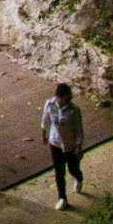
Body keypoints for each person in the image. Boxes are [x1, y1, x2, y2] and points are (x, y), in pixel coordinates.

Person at [43, 80, 86, 208]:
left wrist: (79, 146)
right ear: (59, 97)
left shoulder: (74, 110)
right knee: (59, 171)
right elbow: (45, 120)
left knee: (73, 169)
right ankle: (62, 198)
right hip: (55, 143)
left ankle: (78, 177)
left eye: (70, 98)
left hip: (70, 145)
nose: (69, 100)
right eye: (66, 98)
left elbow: (79, 129)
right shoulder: (49, 105)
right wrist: (44, 134)